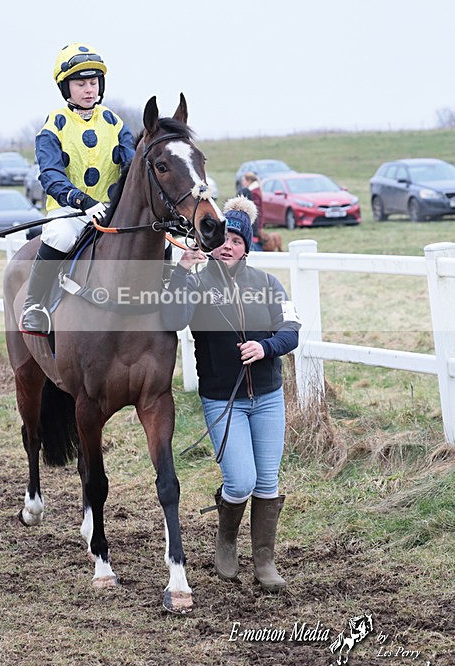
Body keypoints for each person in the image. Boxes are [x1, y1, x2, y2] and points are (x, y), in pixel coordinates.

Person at [161, 196, 300, 591]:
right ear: (211, 242)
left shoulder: (268, 284)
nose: (228, 245)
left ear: (247, 246)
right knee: (240, 482)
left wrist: (265, 347)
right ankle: (226, 540)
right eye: (222, 238)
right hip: (223, 399)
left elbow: (291, 328)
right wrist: (182, 271)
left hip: (269, 396)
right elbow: (172, 318)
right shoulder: (197, 282)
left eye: (237, 240)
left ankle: (265, 561)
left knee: (267, 481)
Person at [20, 42, 135, 335]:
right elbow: (50, 176)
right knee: (58, 235)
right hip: (70, 211)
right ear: (66, 88)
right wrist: (82, 201)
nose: (89, 89)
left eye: (93, 82)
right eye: (80, 83)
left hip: (111, 211)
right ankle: (34, 305)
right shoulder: (53, 126)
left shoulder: (114, 121)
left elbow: (132, 163)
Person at [238, 172, 263, 250]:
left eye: (244, 180)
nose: (242, 183)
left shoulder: (252, 192)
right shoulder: (255, 190)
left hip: (254, 223)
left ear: (249, 181)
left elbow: (256, 210)